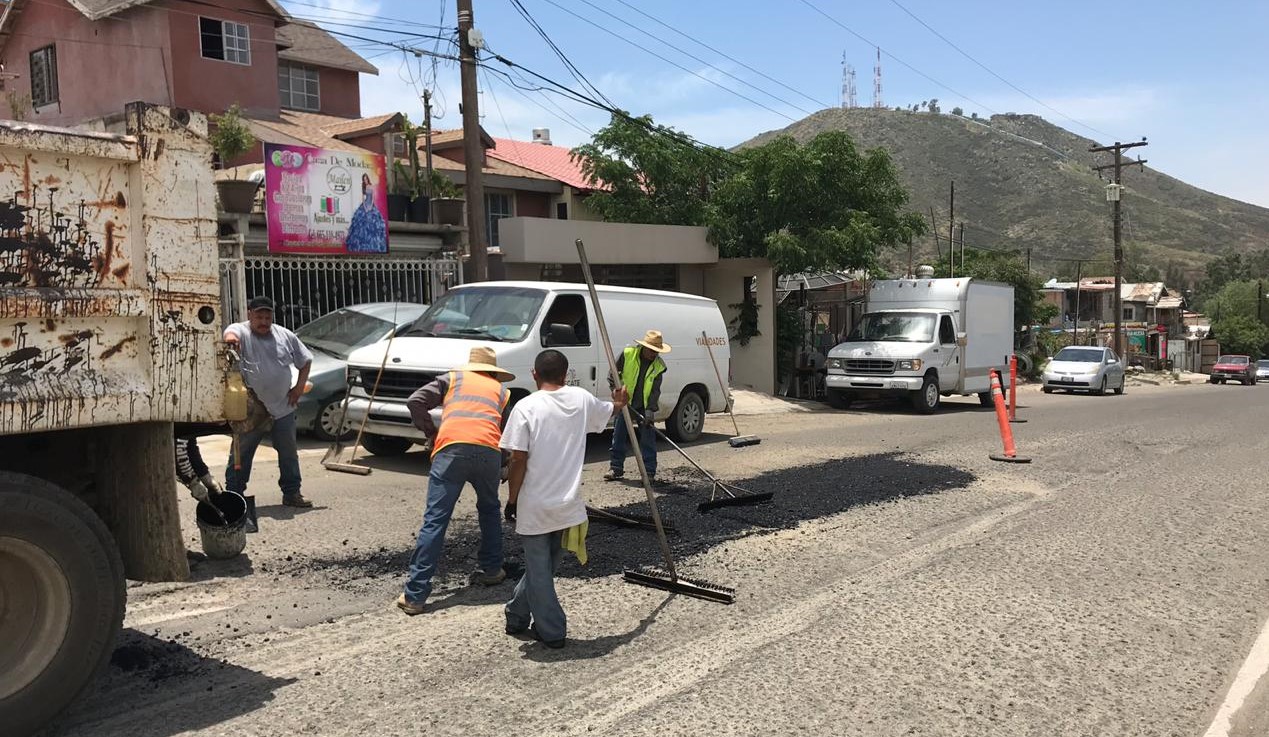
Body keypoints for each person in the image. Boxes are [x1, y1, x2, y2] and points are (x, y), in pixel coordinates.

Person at [501, 350, 627, 648]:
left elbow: (517, 459)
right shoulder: (581, 399)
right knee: (541, 570)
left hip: (535, 504)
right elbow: (613, 410)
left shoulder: (526, 407)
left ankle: (552, 631)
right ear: (566, 374)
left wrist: (512, 500)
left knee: (539, 570)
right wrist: (621, 399)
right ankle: (516, 615)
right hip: (568, 506)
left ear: (534, 374)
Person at [397, 346, 515, 616]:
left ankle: (415, 596)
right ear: (493, 371)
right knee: (488, 510)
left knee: (436, 519)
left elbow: (415, 401)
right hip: (489, 453)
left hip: (451, 450)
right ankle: (492, 569)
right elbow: (504, 432)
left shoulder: (452, 379)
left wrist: (430, 431)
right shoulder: (502, 392)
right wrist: (505, 462)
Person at [222, 296, 315, 509]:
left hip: (282, 407)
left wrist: (299, 387)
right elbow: (231, 333)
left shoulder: (285, 335)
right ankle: (234, 497)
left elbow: (306, 360)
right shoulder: (242, 331)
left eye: (267, 316)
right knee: (240, 454)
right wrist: (231, 341)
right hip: (251, 410)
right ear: (249, 314)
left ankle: (292, 493)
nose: (263, 321)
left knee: (289, 453)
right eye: (259, 316)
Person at [605, 329, 670, 483]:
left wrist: (650, 410)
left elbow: (655, 390)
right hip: (625, 403)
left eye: (657, 351)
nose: (654, 354)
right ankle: (616, 468)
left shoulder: (659, 366)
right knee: (619, 436)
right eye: (652, 350)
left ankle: (649, 472)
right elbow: (612, 374)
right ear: (644, 347)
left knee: (648, 439)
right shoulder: (628, 354)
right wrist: (617, 391)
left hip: (644, 406)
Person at [345, 172, 387, 254]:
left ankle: (373, 245)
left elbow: (373, 198)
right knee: (360, 222)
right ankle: (359, 245)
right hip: (364, 205)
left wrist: (370, 207)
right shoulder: (363, 187)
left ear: (368, 179)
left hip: (371, 205)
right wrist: (364, 206)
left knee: (373, 223)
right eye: (364, 179)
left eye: (366, 179)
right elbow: (363, 198)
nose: (365, 180)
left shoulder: (371, 186)